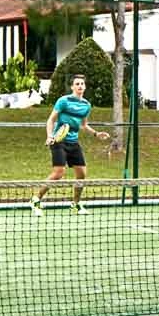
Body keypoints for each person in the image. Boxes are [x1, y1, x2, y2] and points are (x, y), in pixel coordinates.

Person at [31, 74, 110, 215]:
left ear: (84, 87)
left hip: (73, 142)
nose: (80, 86)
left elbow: (84, 125)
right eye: (77, 84)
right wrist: (50, 136)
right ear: (72, 87)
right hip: (58, 141)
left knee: (82, 174)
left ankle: (75, 204)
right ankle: (36, 200)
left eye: (82, 84)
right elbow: (50, 120)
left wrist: (96, 134)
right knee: (58, 173)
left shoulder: (86, 105)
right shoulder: (63, 101)